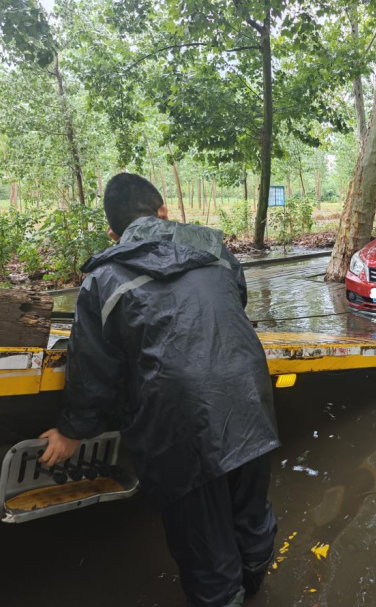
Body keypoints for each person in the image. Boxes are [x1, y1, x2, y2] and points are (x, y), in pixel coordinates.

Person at [38, 172, 280, 607]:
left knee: (206, 548)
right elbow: (232, 307)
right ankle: (258, 586)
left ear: (114, 234)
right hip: (250, 398)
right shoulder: (217, 253)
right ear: (163, 211)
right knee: (251, 514)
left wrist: (72, 431)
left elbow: (93, 369)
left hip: (180, 424)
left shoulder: (104, 278)